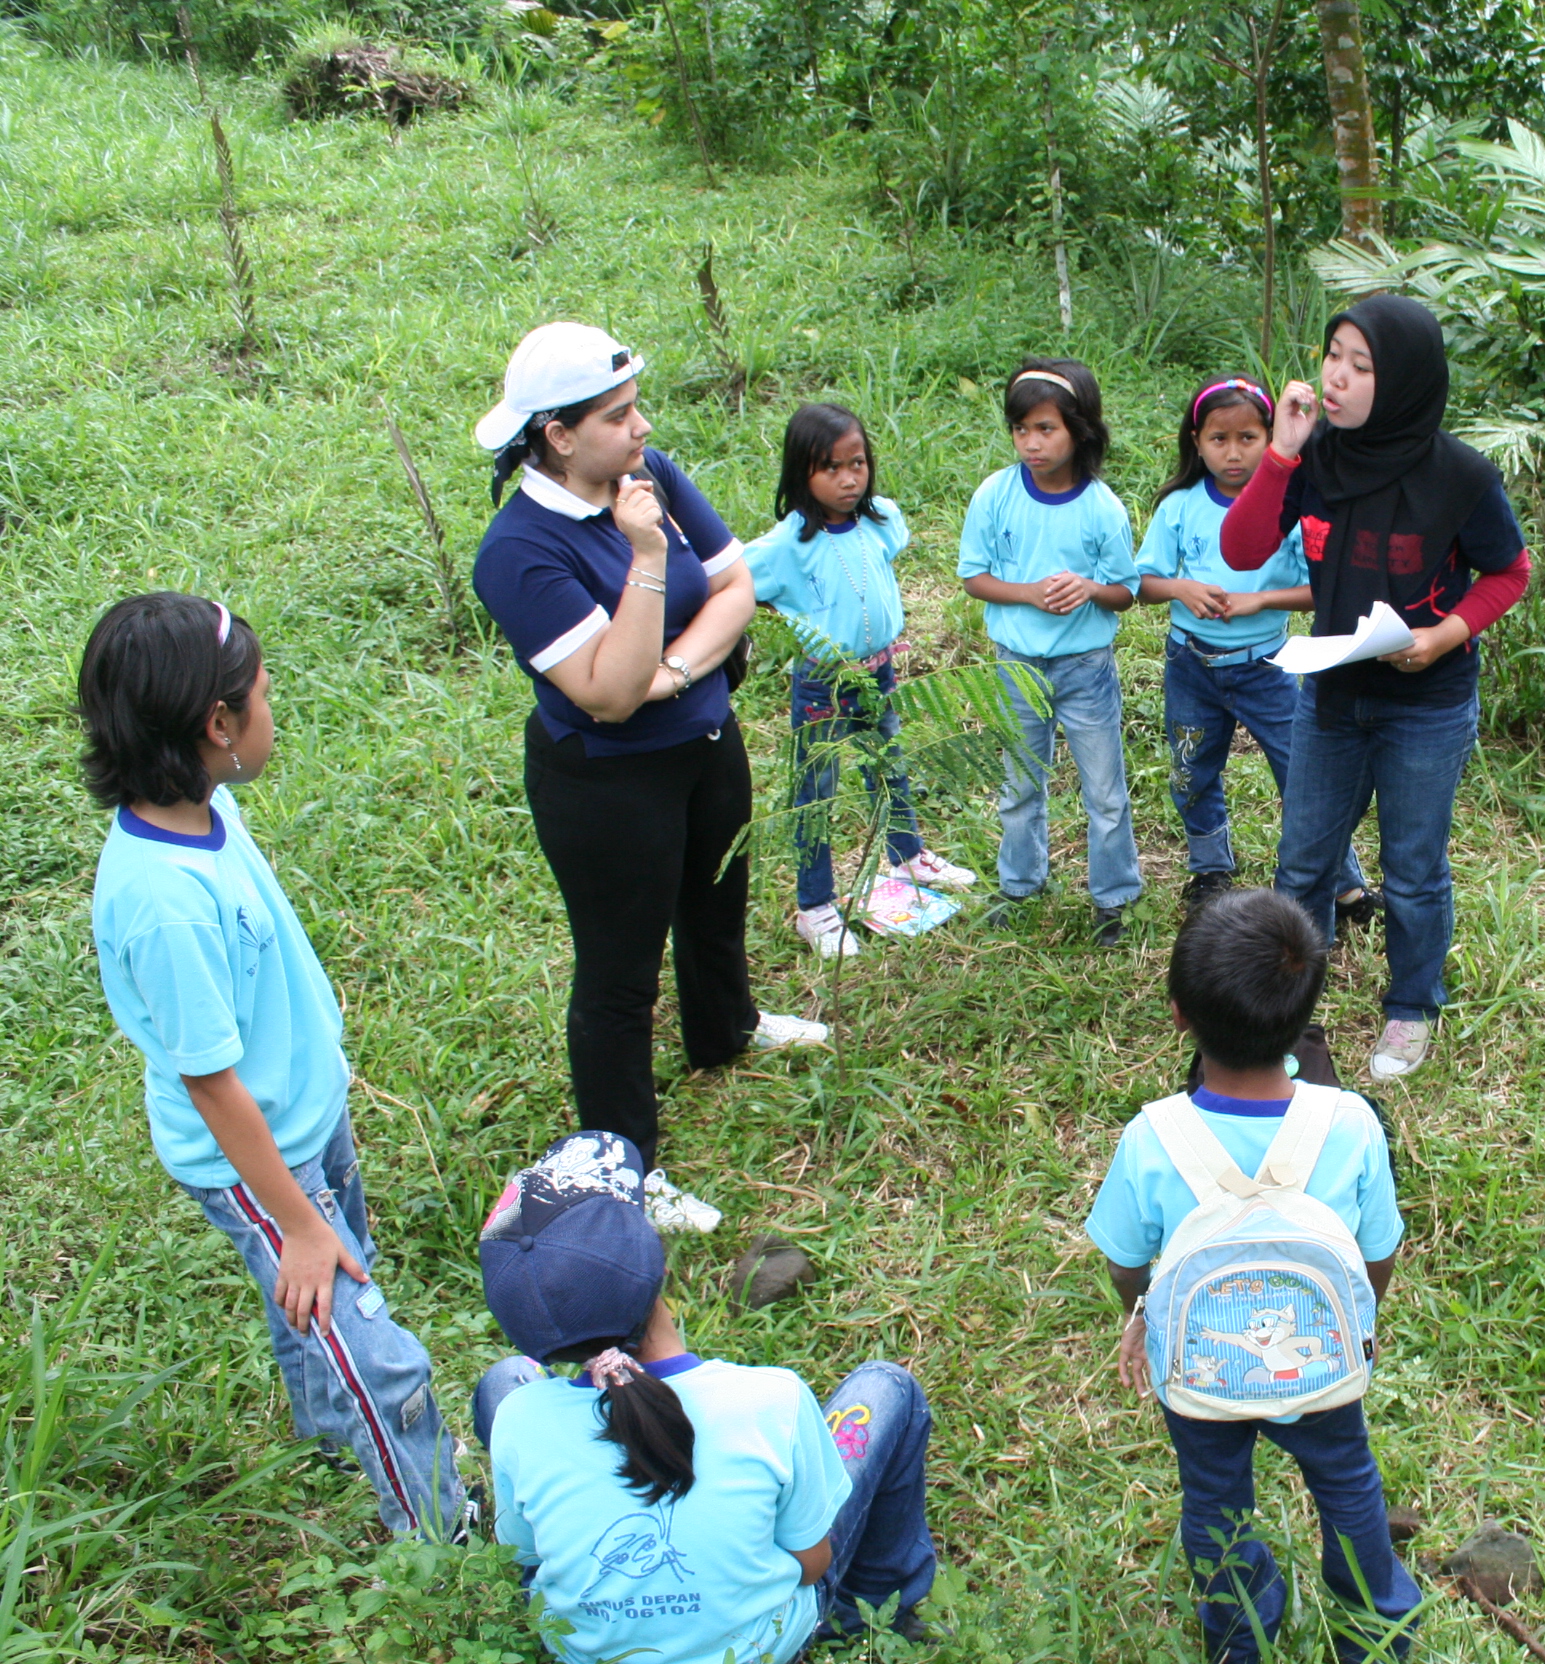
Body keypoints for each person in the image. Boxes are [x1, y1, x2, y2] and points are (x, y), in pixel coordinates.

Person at [79, 593, 467, 1540]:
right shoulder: (161, 900)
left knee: (326, 1300)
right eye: (261, 695)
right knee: (378, 1352)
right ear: (218, 725)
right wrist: (296, 1222)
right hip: (260, 1158)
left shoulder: (206, 807)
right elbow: (212, 1086)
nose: (272, 709)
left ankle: (332, 1432)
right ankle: (446, 1540)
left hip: (305, 1111)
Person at [472, 322, 826, 1234]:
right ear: (557, 433)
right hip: (606, 784)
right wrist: (646, 561)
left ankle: (728, 1028)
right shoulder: (519, 552)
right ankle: (623, 1166)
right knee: (619, 977)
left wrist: (675, 674)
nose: (642, 428)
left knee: (716, 899)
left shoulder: (651, 473)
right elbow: (608, 693)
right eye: (619, 415)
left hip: (703, 743)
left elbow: (738, 585)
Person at [1087, 889, 1419, 1663]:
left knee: (1214, 1503)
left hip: (1202, 1372)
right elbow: (1379, 1252)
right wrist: (1361, 1318)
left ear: (1178, 1014)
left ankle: (1240, 1634)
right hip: (1320, 1358)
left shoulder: (1152, 1137)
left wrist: (1143, 1314)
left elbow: (1125, 1261)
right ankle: (1375, 1628)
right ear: (1306, 1012)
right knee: (1347, 1488)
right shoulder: (1350, 1123)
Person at [473, 1131, 939, 1663]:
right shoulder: (771, 1401)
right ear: (660, 1269)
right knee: (887, 1387)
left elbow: (525, 1553)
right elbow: (810, 1563)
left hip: (589, 1652)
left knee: (503, 1380)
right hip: (757, 1649)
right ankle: (868, 1617)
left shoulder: (521, 1421)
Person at [1222, 294, 1533, 1081]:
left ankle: (1412, 1007)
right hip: (1331, 696)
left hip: (1424, 706)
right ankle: (1286, 1013)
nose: (1337, 377)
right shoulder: (1316, 455)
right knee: (1301, 863)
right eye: (1333, 355)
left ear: (1402, 382)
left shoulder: (1459, 475)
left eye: (1361, 367)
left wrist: (1443, 636)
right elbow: (1242, 549)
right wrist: (1282, 453)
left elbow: (1509, 571)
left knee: (1414, 867)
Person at [744, 402, 977, 960]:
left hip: (881, 672)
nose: (849, 479)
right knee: (815, 791)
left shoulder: (880, 520)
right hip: (824, 683)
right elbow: (728, 582)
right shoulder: (783, 548)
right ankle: (815, 906)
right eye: (831, 468)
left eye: (858, 463)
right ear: (802, 471)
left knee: (888, 764)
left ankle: (907, 855)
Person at [1137, 376, 1371, 919]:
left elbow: (1322, 590)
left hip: (1270, 667)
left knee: (1304, 774)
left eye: (1248, 437)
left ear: (1272, 437)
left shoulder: (1290, 507)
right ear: (1196, 442)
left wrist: (1259, 601)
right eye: (1219, 439)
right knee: (1191, 768)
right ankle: (1211, 868)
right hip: (1190, 663)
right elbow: (1142, 583)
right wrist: (1181, 588)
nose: (1233, 452)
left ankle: (1341, 881)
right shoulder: (1179, 507)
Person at [956, 356, 1143, 946]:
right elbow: (973, 577)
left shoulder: (1102, 509)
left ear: (1079, 429)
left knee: (1104, 790)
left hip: (1085, 668)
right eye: (1020, 429)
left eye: (1046, 429)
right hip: (1016, 662)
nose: (1031, 443)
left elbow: (1126, 592)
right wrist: (1028, 595)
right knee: (1017, 784)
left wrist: (1089, 588)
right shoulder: (996, 495)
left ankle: (1116, 898)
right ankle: (1019, 883)